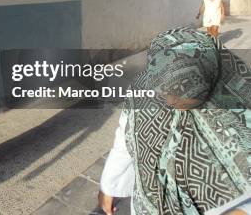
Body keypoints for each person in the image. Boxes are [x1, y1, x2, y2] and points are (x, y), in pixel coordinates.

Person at [99, 27, 250, 215]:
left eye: (183, 96)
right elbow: (125, 142)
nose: (170, 102)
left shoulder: (240, 102)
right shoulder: (143, 93)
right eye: (166, 92)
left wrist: (244, 210)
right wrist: (110, 186)